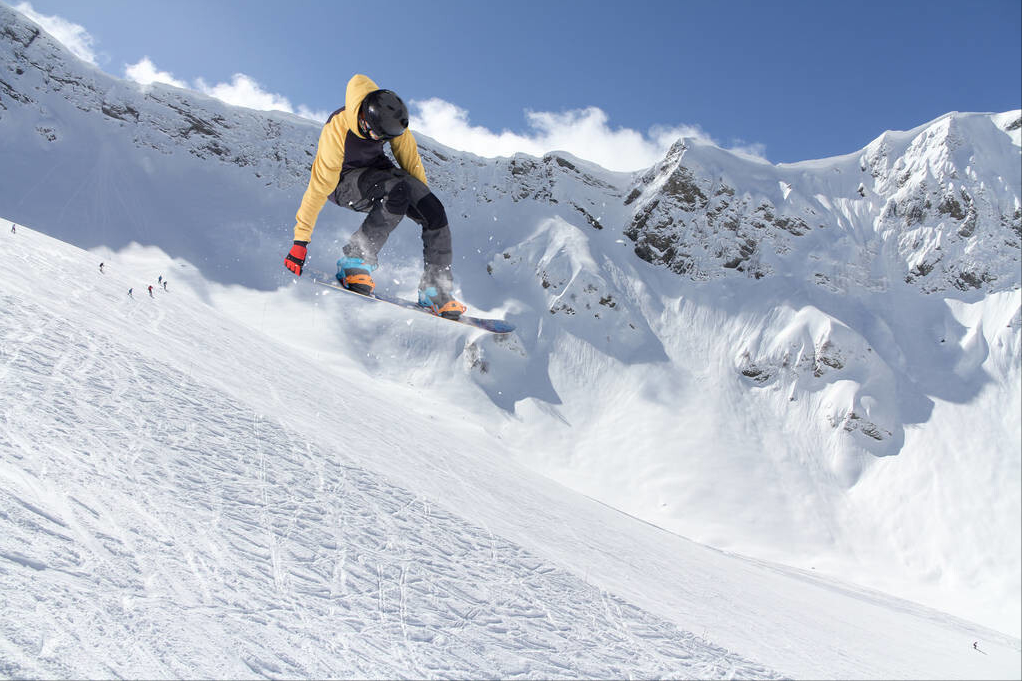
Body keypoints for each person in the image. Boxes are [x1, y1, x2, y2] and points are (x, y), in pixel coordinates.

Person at [283, 74, 466, 320]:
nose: (382, 141)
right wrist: (300, 241)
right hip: (341, 182)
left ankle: (435, 289)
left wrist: (423, 204)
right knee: (395, 190)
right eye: (379, 137)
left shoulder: (392, 124)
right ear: (365, 120)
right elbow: (318, 187)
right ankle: (354, 262)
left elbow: (411, 165)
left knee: (433, 209)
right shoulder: (337, 128)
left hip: (377, 174)